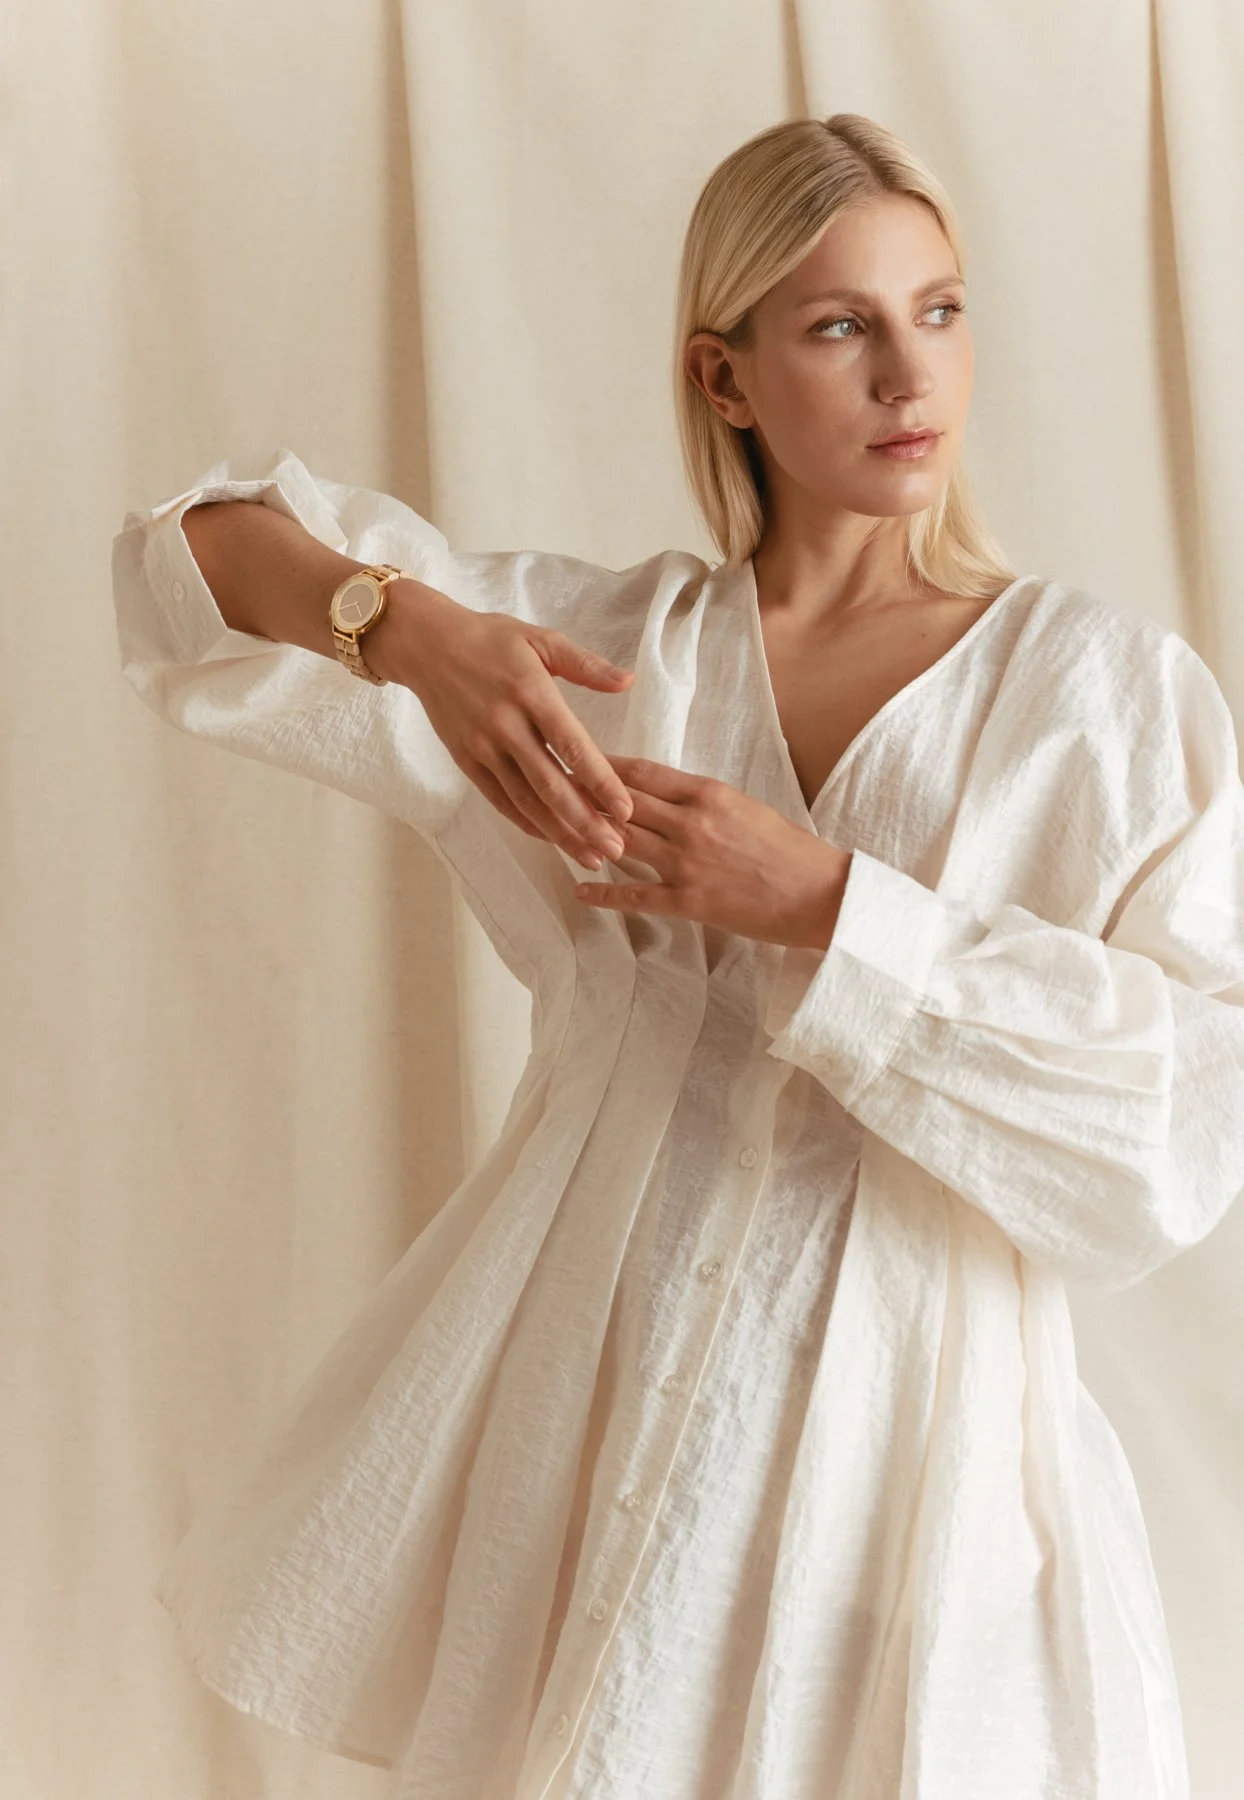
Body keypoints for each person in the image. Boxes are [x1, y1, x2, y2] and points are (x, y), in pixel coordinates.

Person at [112, 113, 1244, 1800]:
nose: (909, 374)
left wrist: (833, 908)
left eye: (939, 310)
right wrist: (406, 631)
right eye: (841, 326)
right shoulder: (599, 660)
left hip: (910, 1475)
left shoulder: (1101, 695)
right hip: (598, 1429)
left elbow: (1186, 1107)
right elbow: (185, 562)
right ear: (726, 378)